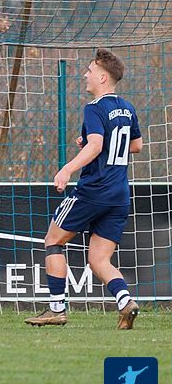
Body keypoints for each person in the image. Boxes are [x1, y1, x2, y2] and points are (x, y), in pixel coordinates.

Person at [26, 49, 142, 329]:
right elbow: (136, 146)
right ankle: (126, 301)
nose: (85, 75)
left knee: (53, 241)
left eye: (89, 70)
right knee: (99, 259)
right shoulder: (127, 108)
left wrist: (67, 168)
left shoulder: (94, 108)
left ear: (103, 77)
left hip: (93, 190)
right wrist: (95, 141)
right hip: (119, 193)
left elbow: (97, 145)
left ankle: (56, 309)